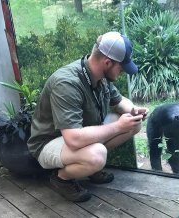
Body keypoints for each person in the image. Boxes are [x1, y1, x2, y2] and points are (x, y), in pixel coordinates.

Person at [27, 31, 149, 202]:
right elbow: (74, 139)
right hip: (49, 142)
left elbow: (119, 101)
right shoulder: (67, 83)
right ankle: (61, 178)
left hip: (78, 135)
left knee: (133, 123)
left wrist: (134, 111)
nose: (122, 72)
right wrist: (118, 126)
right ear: (107, 62)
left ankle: (89, 168)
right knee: (96, 155)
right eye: (121, 68)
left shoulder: (99, 74)